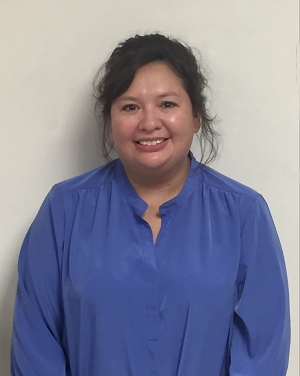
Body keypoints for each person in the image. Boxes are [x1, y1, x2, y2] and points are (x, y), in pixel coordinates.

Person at [11, 33, 290, 375]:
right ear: (111, 121)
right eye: (130, 106)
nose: (149, 122)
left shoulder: (244, 214)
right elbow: (35, 344)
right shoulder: (64, 210)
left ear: (196, 116)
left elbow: (262, 352)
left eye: (167, 104)